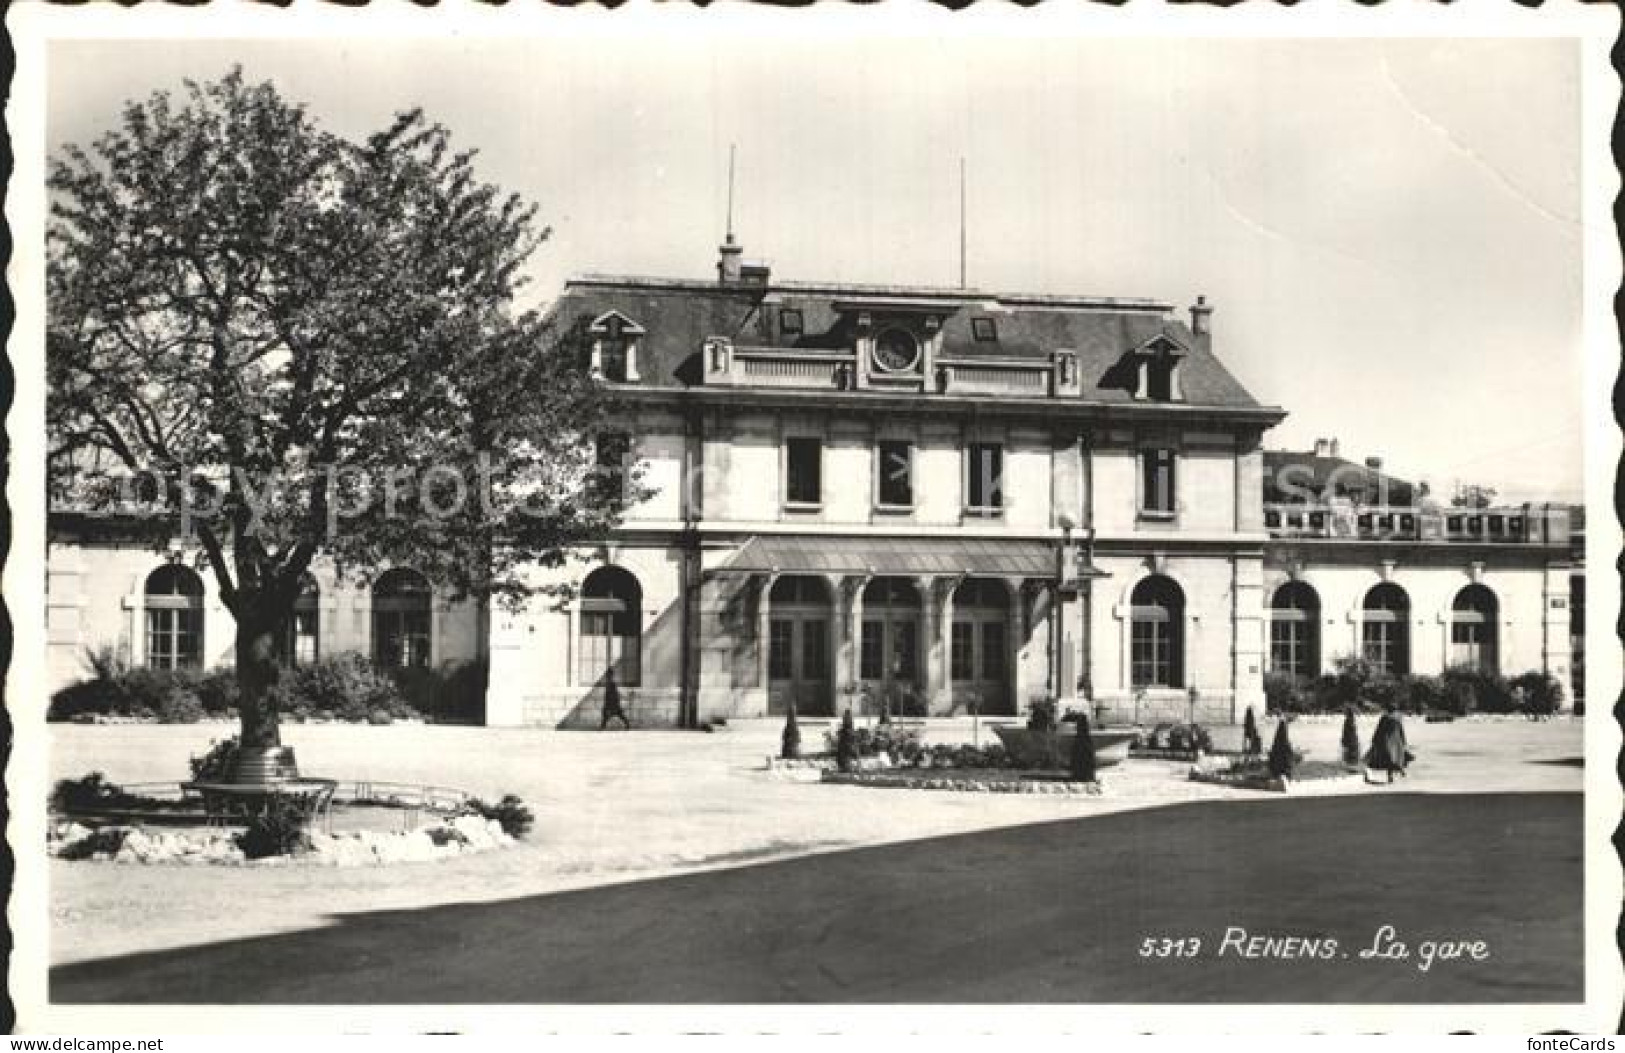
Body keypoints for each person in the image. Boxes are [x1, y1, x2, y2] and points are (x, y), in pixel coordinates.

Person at [1364, 703, 1409, 783]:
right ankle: (1397, 772)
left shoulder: (1385, 718)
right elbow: (1401, 730)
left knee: (1390, 758)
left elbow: (1379, 729)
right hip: (1395, 740)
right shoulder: (1397, 718)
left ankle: (1394, 773)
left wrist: (1375, 739)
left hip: (1388, 740)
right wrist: (1403, 740)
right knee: (1395, 757)